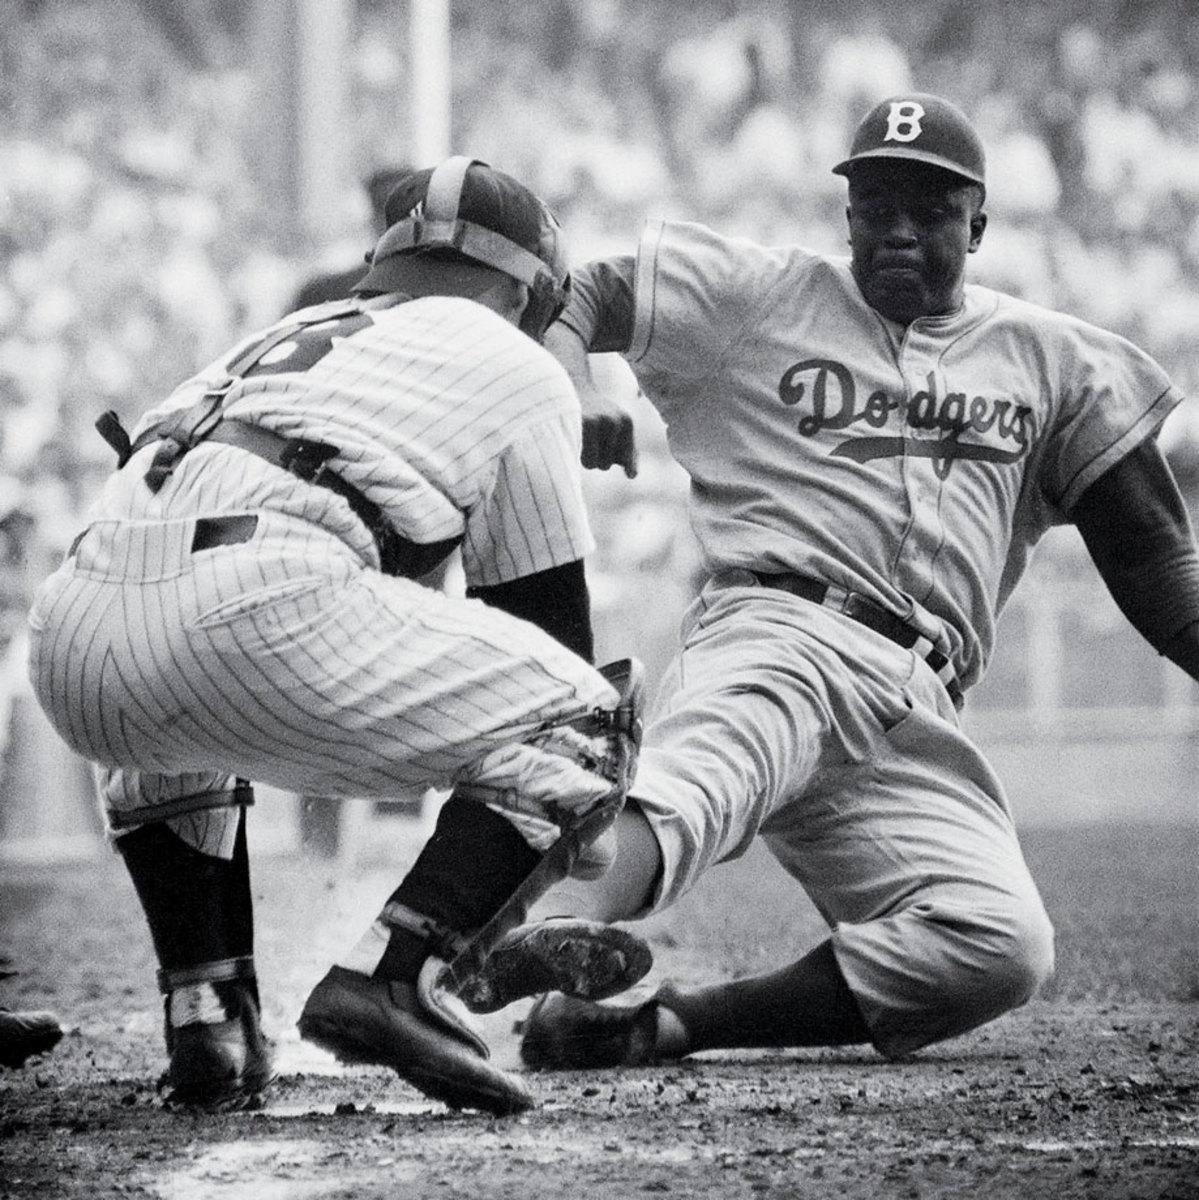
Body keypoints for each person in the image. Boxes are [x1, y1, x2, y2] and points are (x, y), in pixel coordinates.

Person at [501, 93, 1199, 1072]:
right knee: (702, 777)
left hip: (914, 707)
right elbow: (578, 292)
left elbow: (1156, 562)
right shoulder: (764, 294)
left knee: (998, 948)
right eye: (875, 208)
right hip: (777, 627)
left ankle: (661, 1027)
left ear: (979, 224)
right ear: (847, 216)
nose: (897, 230)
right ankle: (553, 930)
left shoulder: (1053, 361)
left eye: (928, 210)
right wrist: (572, 383)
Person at [24, 157, 651, 1115]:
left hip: (71, 633)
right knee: (588, 719)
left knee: (170, 701)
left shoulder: (279, 333)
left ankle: (208, 1011)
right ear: (530, 288)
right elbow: (550, 646)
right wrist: (561, 843)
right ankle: (396, 972)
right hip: (257, 604)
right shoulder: (518, 362)